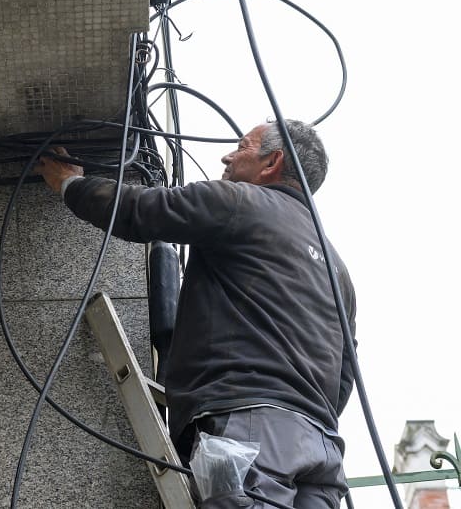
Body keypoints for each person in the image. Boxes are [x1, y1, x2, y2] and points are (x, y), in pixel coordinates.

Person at [35, 120, 355, 508]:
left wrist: (70, 183)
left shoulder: (241, 203)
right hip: (322, 453)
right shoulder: (338, 270)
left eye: (242, 146)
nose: (228, 155)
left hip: (250, 431)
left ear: (272, 162)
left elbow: (142, 211)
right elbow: (343, 376)